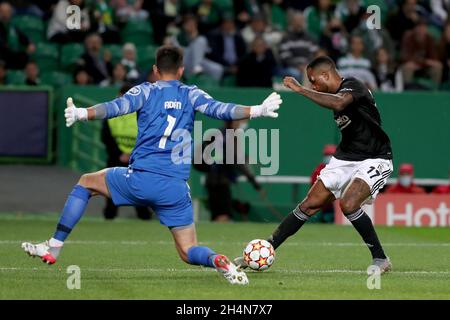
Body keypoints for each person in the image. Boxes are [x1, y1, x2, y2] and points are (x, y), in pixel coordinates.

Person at [21, 45, 282, 285]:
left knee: (86, 182)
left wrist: (82, 113)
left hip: (140, 179)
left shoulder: (145, 90)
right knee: (189, 251)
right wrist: (257, 110)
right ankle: (217, 260)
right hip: (175, 188)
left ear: (156, 70)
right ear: (181, 70)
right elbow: (220, 109)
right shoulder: (192, 93)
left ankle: (54, 246)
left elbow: (115, 107)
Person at [235, 55, 393, 273]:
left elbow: (339, 102)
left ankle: (380, 258)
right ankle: (265, 250)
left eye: (314, 80)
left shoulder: (353, 86)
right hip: (345, 158)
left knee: (348, 204)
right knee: (309, 204)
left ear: (326, 75)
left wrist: (301, 90)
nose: (313, 85)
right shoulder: (337, 97)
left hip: (375, 157)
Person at [101, 83, 153, 220]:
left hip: (137, 159)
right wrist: (119, 154)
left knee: (139, 192)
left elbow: (147, 137)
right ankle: (109, 218)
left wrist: (131, 155)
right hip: (116, 158)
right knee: (112, 191)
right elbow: (106, 137)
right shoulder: (111, 114)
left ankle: (144, 218)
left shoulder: (143, 114)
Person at [194, 120, 263, 222]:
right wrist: (255, 183)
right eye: (239, 122)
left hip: (212, 180)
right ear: (233, 123)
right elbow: (236, 161)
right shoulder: (229, 136)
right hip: (220, 181)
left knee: (217, 214)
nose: (242, 124)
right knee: (223, 214)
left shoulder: (219, 133)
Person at [310, 144, 336, 223]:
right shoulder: (319, 169)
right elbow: (313, 185)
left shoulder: (341, 169)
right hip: (322, 203)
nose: (329, 157)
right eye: (327, 155)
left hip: (337, 204)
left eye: (331, 155)